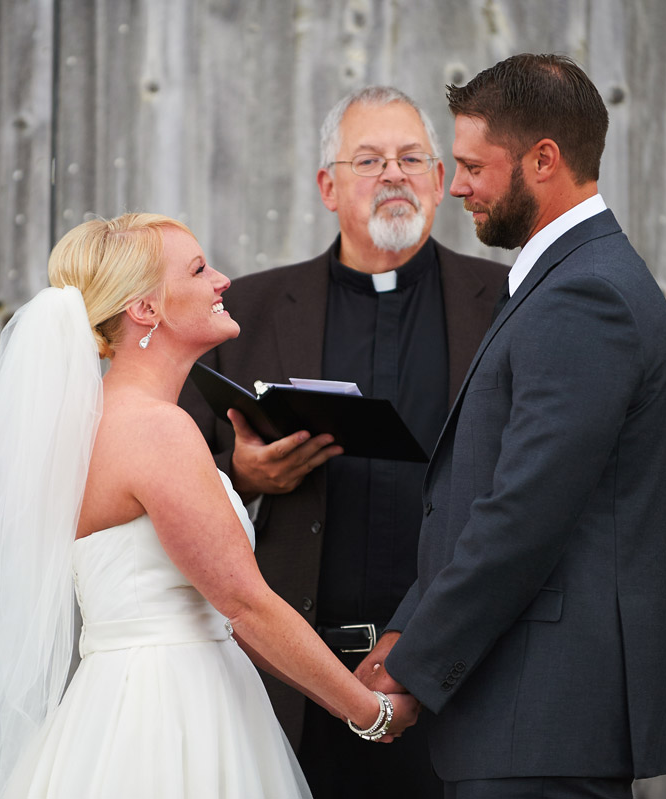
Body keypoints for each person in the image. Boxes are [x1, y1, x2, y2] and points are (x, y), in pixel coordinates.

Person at [0, 213, 418, 799]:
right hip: (168, 714)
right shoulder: (157, 430)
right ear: (146, 309)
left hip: (115, 702)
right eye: (197, 269)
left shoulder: (94, 423)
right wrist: (370, 712)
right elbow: (245, 605)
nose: (222, 280)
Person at [358, 54, 666, 798]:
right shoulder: (563, 280)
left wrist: (411, 662)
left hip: (541, 720)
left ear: (544, 160)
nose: (458, 187)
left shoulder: (587, 295)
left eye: (473, 166)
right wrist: (407, 628)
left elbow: (522, 515)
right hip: (518, 717)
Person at [180, 87, 508, 798]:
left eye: (411, 157)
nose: (394, 173)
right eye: (369, 159)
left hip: (458, 679)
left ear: (442, 179)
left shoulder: (510, 301)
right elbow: (169, 463)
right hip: (293, 685)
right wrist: (239, 473)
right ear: (328, 185)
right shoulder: (246, 312)